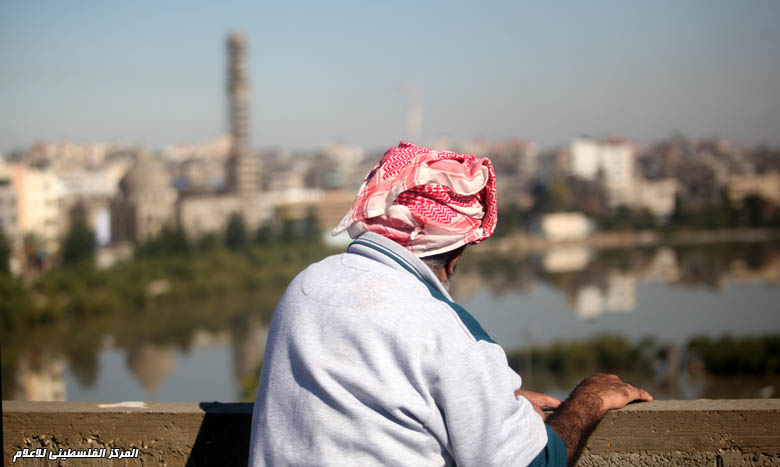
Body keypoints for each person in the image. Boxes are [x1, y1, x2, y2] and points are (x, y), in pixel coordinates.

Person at [248, 142, 652, 467]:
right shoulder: (447, 332)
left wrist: (478, 401)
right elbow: (534, 461)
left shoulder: (306, 286)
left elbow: (366, 397)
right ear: (455, 256)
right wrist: (588, 401)